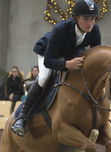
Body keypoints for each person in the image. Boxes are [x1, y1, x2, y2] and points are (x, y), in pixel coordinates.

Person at [11, 0, 101, 136]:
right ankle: (22, 118)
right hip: (47, 52)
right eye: (86, 18)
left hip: (70, 51)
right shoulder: (60, 29)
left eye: (93, 18)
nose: (90, 23)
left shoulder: (94, 30)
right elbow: (48, 61)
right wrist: (67, 65)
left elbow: (95, 55)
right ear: (76, 17)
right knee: (44, 77)